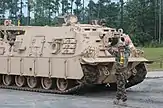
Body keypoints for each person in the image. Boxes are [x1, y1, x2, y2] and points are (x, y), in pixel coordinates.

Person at [108, 37, 130, 105]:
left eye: (120, 48)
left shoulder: (118, 55)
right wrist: (126, 44)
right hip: (124, 72)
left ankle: (124, 100)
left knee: (121, 86)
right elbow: (128, 50)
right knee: (120, 86)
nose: (120, 49)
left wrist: (110, 44)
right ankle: (117, 99)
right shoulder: (126, 54)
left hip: (120, 72)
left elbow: (109, 50)